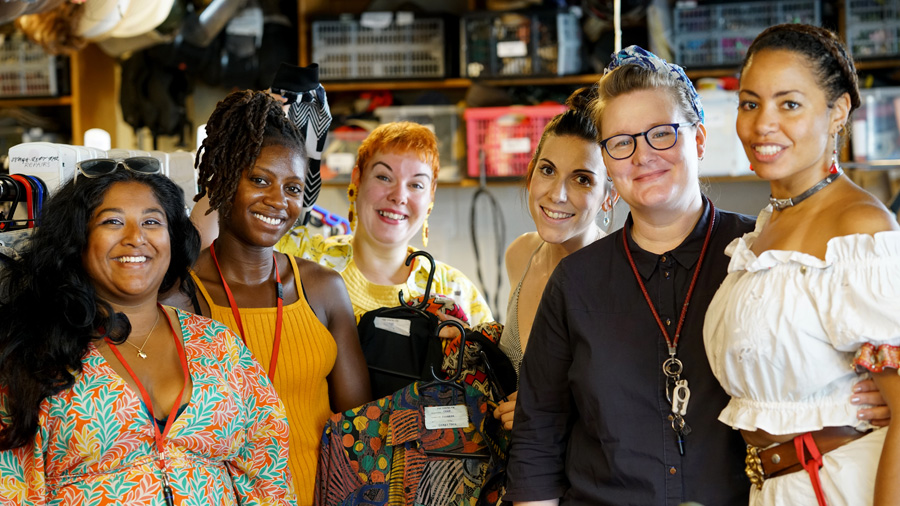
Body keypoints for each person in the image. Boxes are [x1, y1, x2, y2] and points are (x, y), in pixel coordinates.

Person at [503, 46, 890, 506]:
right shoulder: (574, 283)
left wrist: (863, 403)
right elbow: (537, 440)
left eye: (661, 134)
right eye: (621, 142)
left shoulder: (762, 254)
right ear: (608, 161)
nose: (642, 155)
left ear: (700, 140)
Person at [0, 163, 295, 503]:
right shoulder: (32, 351)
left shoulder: (219, 345)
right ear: (77, 238)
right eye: (112, 221)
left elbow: (267, 473)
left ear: (173, 239)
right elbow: (11, 486)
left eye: (152, 222)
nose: (135, 238)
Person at [703, 24, 900, 506]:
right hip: (777, 486)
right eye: (750, 104)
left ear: (837, 112)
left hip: (840, 484)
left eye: (789, 104)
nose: (762, 124)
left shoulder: (859, 229)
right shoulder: (769, 223)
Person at [165, 89, 371, 505]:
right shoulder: (180, 297)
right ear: (221, 178)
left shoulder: (322, 288)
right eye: (259, 180)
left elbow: (359, 424)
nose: (278, 201)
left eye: (293, 188)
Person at [276, 121, 493, 326]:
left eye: (416, 185)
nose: (399, 196)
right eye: (384, 177)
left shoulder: (455, 291)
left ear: (431, 196)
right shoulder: (302, 260)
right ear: (357, 180)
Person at [494, 87, 618, 430]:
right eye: (547, 170)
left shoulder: (619, 277)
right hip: (512, 474)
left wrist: (547, 410)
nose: (557, 194)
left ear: (609, 196)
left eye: (582, 179)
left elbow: (630, 406)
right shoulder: (520, 254)